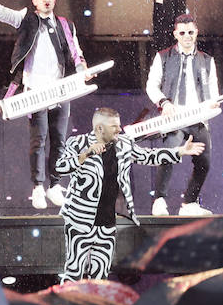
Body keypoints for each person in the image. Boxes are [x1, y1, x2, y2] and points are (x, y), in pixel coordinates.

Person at [0, 0, 90, 211]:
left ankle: (55, 185)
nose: (46, 0)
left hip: (60, 88)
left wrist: (83, 69)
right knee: (39, 140)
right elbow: (6, 15)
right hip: (36, 90)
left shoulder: (65, 25)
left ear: (54, 1)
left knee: (59, 140)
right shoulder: (27, 18)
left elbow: (75, 52)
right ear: (35, 2)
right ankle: (38, 186)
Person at [56, 107, 205, 280]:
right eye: (114, 126)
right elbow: (60, 167)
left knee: (101, 274)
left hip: (107, 222)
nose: (119, 129)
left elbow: (148, 156)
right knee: (74, 271)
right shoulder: (78, 143)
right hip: (79, 220)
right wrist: (86, 154)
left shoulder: (124, 144)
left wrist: (179, 151)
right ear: (99, 128)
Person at [145, 13, 220, 216]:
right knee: (169, 153)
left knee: (204, 161)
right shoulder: (163, 57)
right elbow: (152, 85)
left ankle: (189, 203)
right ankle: (160, 199)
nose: (187, 36)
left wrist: (212, 105)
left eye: (191, 32)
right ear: (176, 34)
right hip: (174, 116)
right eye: (183, 33)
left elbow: (213, 90)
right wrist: (164, 102)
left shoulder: (207, 60)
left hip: (197, 117)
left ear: (196, 33)